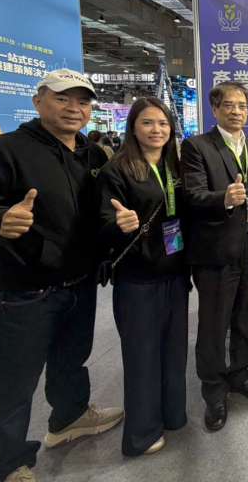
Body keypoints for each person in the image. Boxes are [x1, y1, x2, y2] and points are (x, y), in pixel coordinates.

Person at [0, 69, 123, 482]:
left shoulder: (94, 155)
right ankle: (8, 463)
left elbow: (101, 212)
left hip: (79, 281)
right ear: (38, 100)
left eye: (82, 101)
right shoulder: (4, 150)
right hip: (25, 288)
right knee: (14, 381)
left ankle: (69, 418)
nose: (74, 108)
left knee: (70, 360)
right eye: (63, 99)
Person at [97, 98, 189, 456]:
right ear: (133, 127)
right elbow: (101, 222)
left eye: (163, 124)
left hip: (174, 273)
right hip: (138, 279)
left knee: (173, 352)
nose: (157, 130)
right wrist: (117, 224)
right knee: (142, 356)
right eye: (148, 123)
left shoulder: (172, 165)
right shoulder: (117, 170)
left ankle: (172, 415)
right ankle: (141, 434)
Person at [181, 81, 248, 431]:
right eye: (229, 105)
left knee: (247, 314)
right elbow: (192, 195)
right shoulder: (197, 146)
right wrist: (224, 198)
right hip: (216, 248)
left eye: (242, 106)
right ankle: (213, 388)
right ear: (214, 109)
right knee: (214, 323)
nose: (236, 111)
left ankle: (240, 371)